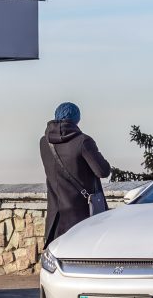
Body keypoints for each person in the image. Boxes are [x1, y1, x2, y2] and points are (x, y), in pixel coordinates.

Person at [39, 102, 111, 245]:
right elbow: (103, 171)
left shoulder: (44, 142)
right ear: (77, 119)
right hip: (82, 217)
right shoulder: (83, 141)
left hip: (56, 219)